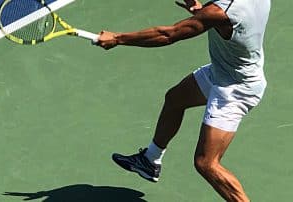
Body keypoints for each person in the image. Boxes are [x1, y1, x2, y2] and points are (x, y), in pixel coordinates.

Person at [97, 0, 270, 201]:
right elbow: (220, 19)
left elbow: (168, 34)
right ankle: (150, 160)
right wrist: (201, 11)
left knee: (206, 163)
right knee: (175, 99)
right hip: (222, 72)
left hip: (236, 89)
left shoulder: (222, 12)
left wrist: (118, 38)